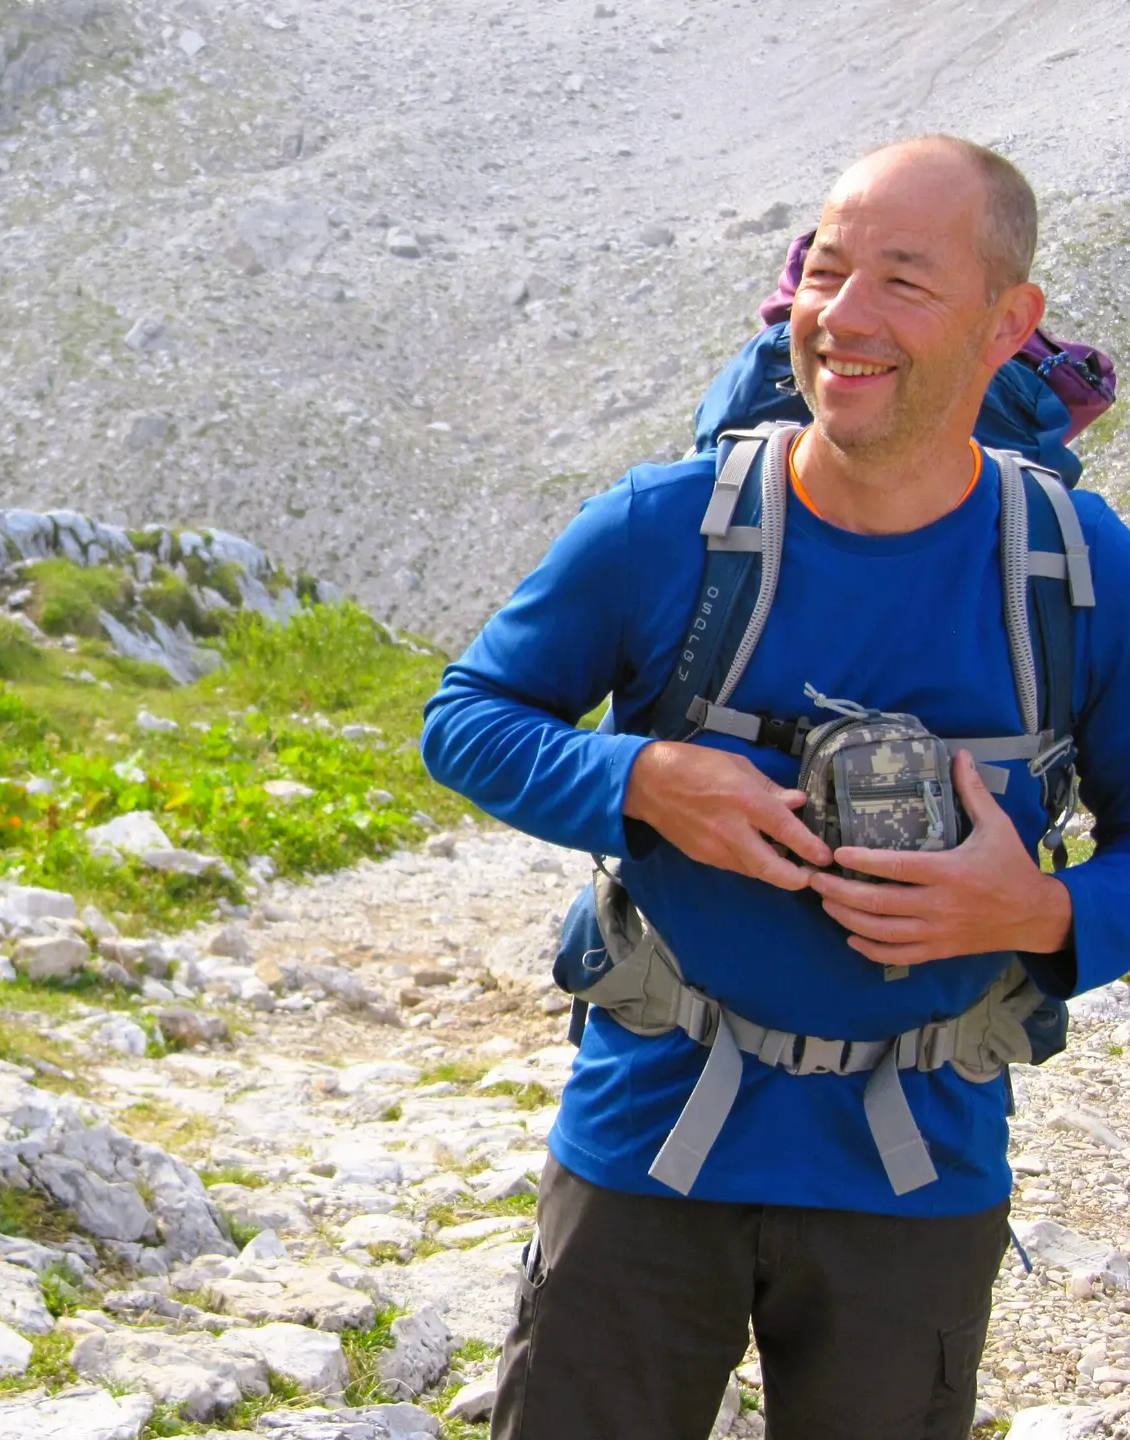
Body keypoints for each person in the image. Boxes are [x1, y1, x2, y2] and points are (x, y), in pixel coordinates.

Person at [421, 135, 1130, 1439]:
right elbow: (466, 721)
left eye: (903, 282)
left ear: (1006, 321)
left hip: (915, 1175)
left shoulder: (1077, 568)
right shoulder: (662, 528)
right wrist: (645, 777)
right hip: (649, 1141)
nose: (842, 317)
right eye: (826, 270)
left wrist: (1038, 916)